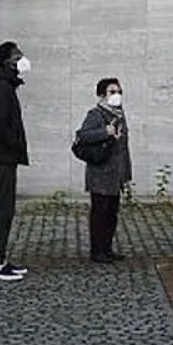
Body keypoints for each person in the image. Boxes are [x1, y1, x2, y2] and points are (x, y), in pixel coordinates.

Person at [0, 41, 31, 281]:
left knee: (5, 207)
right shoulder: (1, 88)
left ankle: (0, 260)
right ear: (7, 62)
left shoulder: (3, 86)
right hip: (2, 156)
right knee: (2, 208)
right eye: (18, 56)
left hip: (4, 156)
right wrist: (14, 142)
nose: (23, 60)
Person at [75, 78, 133, 263]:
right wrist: (105, 132)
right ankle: (97, 250)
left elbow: (123, 148)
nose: (116, 95)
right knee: (99, 213)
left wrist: (125, 172)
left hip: (116, 174)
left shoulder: (119, 115)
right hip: (100, 172)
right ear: (102, 95)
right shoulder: (96, 114)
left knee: (111, 214)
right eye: (112, 92)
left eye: (118, 91)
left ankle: (107, 248)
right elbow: (82, 135)